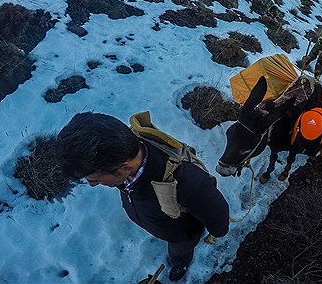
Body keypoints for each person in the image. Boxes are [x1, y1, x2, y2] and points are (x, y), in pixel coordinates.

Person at [56, 112, 230, 282]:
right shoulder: (122, 156)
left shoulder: (188, 183)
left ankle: (180, 263)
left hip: (182, 234)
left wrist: (217, 232)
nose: (92, 184)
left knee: (180, 250)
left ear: (125, 167)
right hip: (157, 220)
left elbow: (218, 212)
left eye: (95, 180)